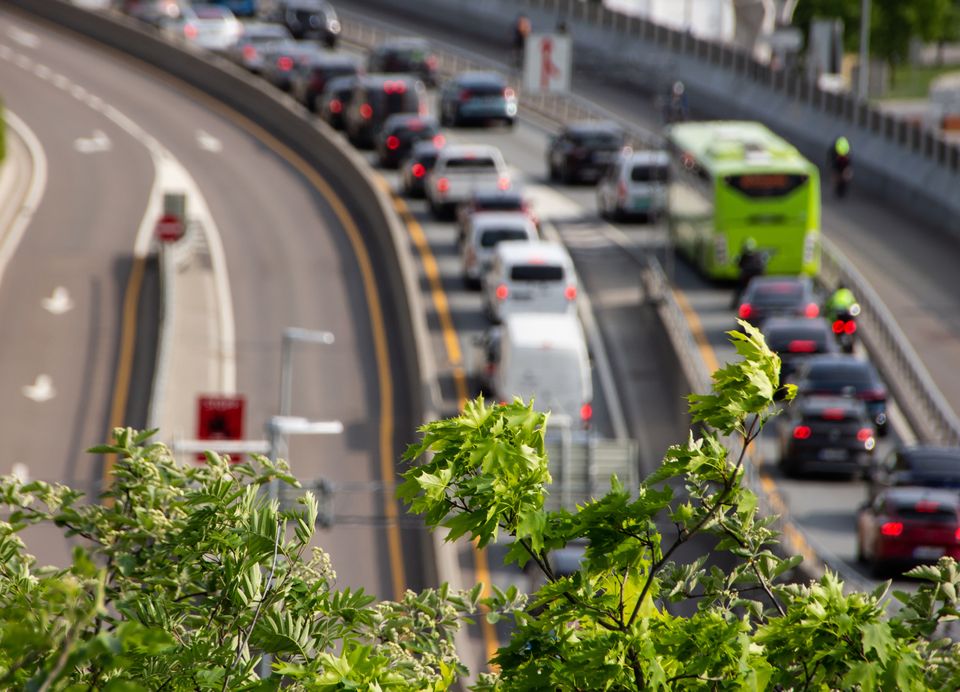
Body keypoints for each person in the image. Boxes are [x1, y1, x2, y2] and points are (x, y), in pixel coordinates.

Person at [731, 238, 766, 308]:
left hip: (753, 277)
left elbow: (739, 265)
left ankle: (734, 304)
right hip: (752, 277)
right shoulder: (756, 255)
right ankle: (735, 304)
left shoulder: (750, 255)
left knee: (740, 289)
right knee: (740, 289)